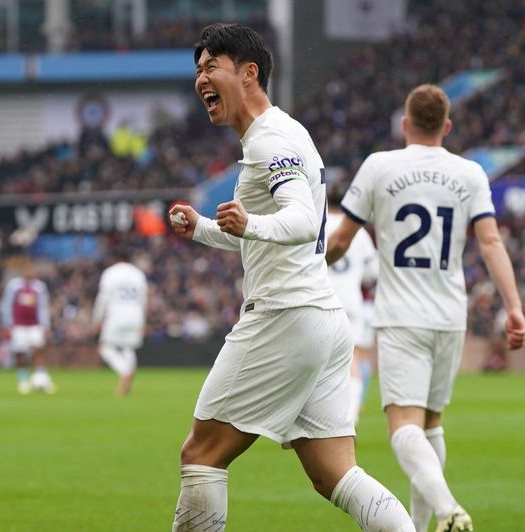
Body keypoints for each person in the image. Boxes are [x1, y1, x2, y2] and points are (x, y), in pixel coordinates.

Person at [167, 23, 414, 531]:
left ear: (249, 72)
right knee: (333, 473)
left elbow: (300, 221)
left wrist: (250, 223)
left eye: (211, 66)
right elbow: (267, 234)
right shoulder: (288, 131)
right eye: (198, 70)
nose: (201, 79)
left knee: (201, 454)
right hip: (322, 319)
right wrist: (205, 229)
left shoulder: (270, 141)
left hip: (283, 316)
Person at [327, 83, 525, 532]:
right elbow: (490, 242)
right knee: (431, 423)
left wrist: (305, 269)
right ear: (447, 126)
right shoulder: (470, 173)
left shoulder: (379, 166)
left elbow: (340, 241)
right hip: (449, 314)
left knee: (403, 425)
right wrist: (514, 306)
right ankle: (421, 525)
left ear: (404, 124)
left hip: (401, 315)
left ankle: (448, 510)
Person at [325, 182, 379, 426]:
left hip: (318, 299)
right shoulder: (357, 230)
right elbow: (372, 273)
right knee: (352, 359)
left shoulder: (316, 224)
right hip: (350, 302)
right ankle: (351, 416)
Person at [92, 251, 148, 397]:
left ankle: (125, 372)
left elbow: (103, 298)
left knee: (105, 348)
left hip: (116, 315)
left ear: (116, 259)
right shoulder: (138, 274)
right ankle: (127, 377)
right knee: (128, 348)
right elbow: (144, 299)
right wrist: (143, 321)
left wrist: (97, 319)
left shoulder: (111, 272)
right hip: (136, 315)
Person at [0, 260, 54, 395]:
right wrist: (7, 323)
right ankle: (23, 379)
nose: (30, 273)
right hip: (18, 325)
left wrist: (46, 324)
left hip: (35, 325)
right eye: (27, 270)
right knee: (20, 352)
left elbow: (43, 306)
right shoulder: (14, 286)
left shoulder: (40, 287)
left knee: (38, 350)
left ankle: (40, 378)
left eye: (32, 270)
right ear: (22, 272)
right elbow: (7, 304)